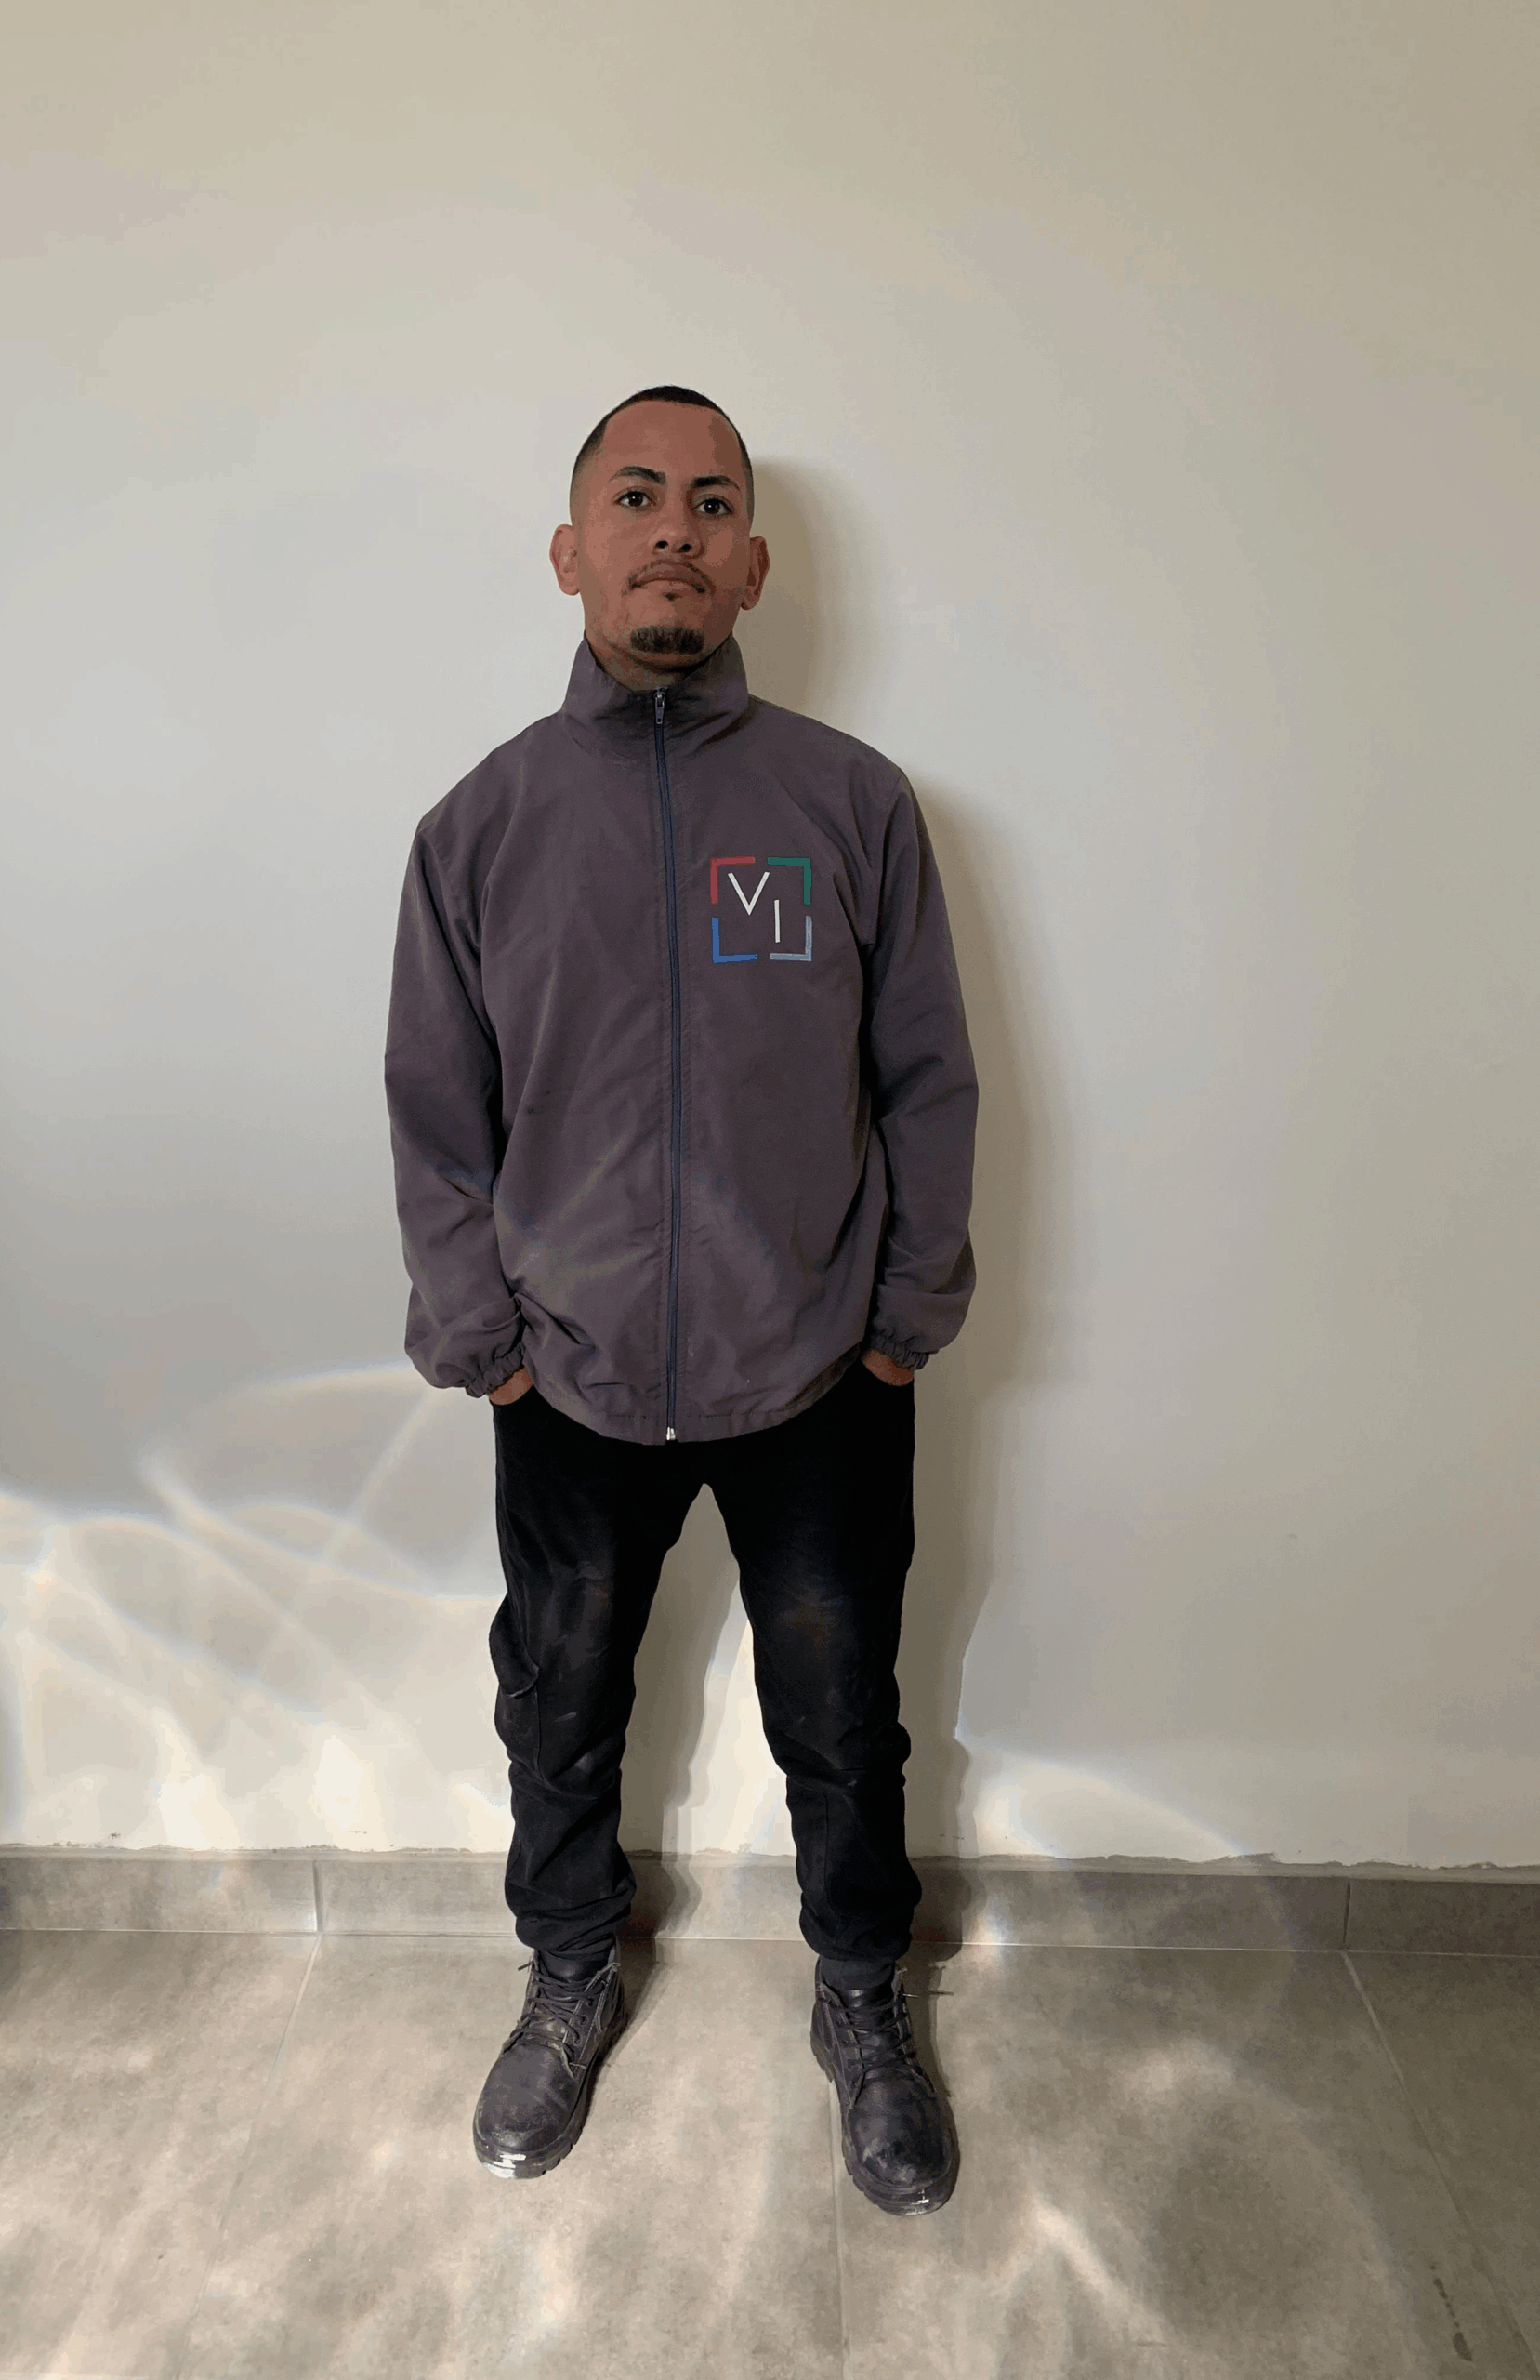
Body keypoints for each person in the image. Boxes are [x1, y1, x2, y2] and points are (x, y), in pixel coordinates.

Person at [384, 387, 977, 2216]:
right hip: (564, 1383)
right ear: (570, 551)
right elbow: (437, 1112)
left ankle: (862, 1993)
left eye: (711, 504)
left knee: (842, 1713)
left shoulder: (849, 805)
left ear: (754, 565)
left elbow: (927, 1079)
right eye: (636, 498)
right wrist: (486, 1346)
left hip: (816, 1373)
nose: (674, 530)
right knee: (557, 1701)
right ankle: (569, 1967)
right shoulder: (481, 826)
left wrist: (901, 1321)